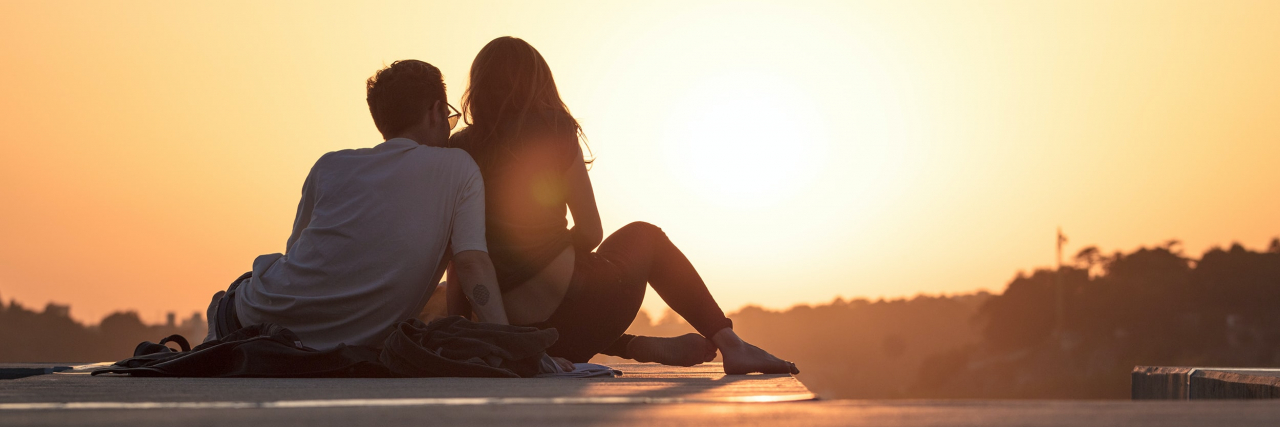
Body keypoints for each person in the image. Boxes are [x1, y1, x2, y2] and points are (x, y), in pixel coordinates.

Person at [447, 37, 798, 375]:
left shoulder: (458, 150)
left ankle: (630, 345)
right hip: (578, 311)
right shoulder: (554, 128)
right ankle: (732, 345)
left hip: (522, 335)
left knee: (557, 302)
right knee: (646, 236)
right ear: (538, 85)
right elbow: (591, 230)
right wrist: (554, 253)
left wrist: (468, 331)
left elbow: (459, 259)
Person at [203, 60, 517, 354]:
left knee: (257, 279)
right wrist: (515, 349)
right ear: (435, 111)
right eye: (449, 117)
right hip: (323, 344)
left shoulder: (330, 166)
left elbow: (301, 259)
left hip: (249, 321)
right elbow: (472, 264)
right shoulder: (458, 168)